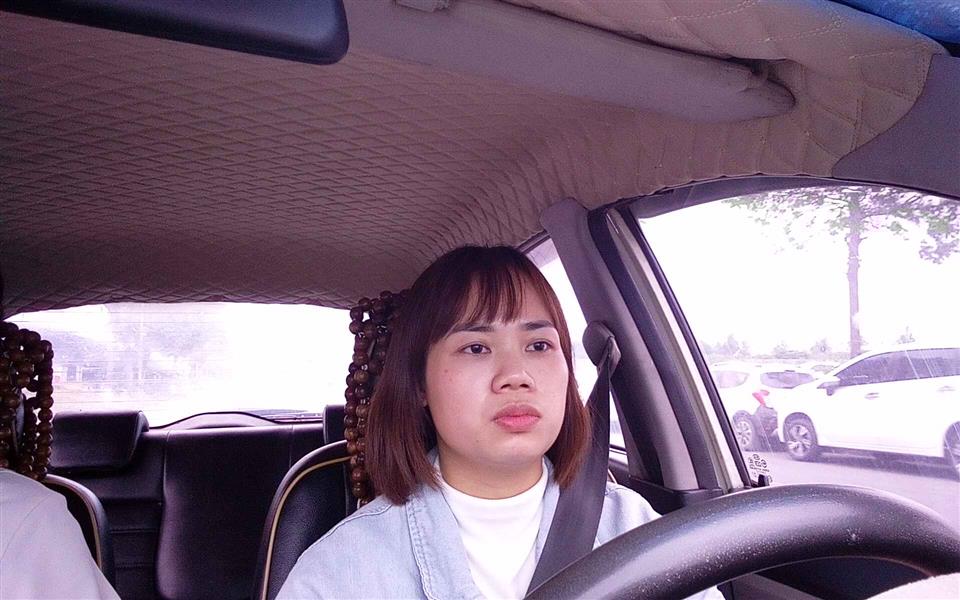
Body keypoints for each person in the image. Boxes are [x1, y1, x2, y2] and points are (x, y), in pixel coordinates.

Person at [278, 246, 720, 599]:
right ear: (419, 384)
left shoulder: (635, 531)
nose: (516, 375)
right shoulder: (340, 574)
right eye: (476, 348)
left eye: (539, 345)